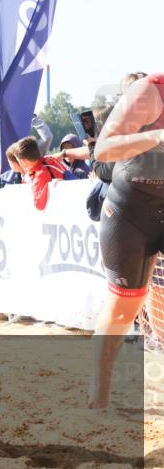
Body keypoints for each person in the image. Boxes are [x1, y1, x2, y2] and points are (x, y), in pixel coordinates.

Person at [88, 73, 164, 409]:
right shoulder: (150, 91)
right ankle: (99, 393)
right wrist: (158, 136)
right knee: (123, 309)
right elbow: (103, 149)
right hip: (132, 211)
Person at [9, 136, 73, 211]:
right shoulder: (50, 160)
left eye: (18, 160)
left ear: (23, 161)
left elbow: (38, 205)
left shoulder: (40, 174)